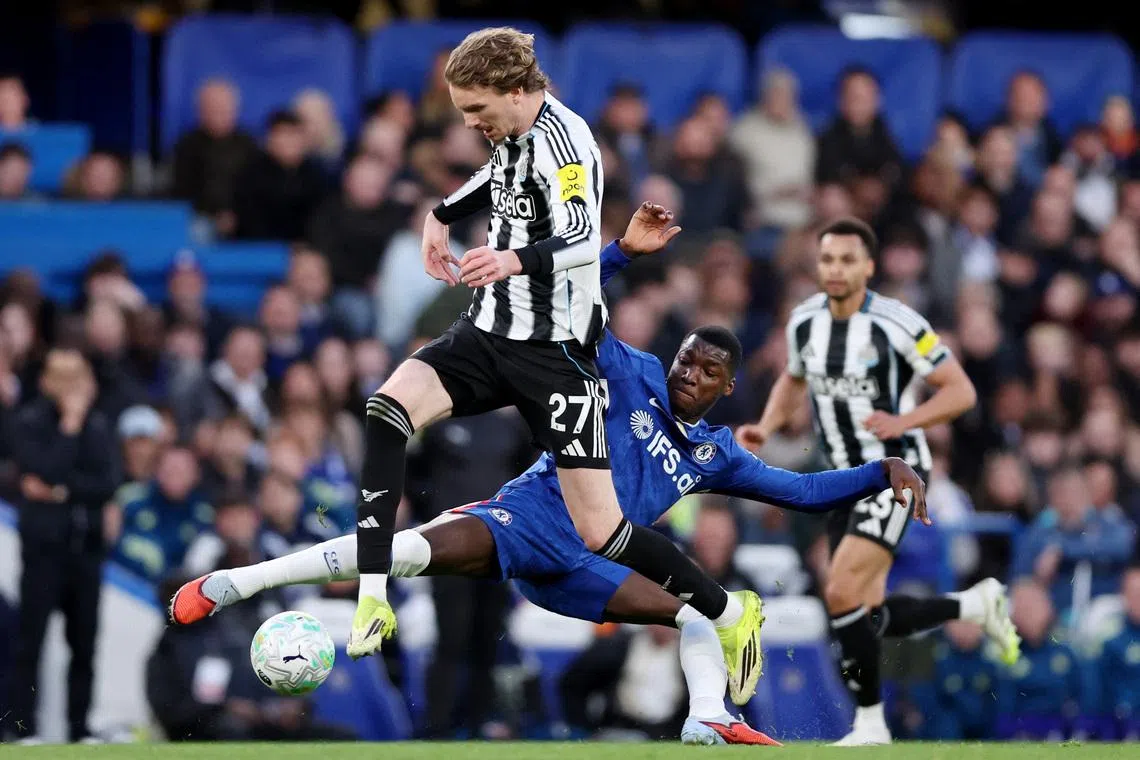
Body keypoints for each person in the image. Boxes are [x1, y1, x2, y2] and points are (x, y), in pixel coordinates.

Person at [172, 206, 944, 744]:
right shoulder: (631, 370)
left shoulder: (718, 455)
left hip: (587, 565)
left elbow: (801, 491)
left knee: (696, 613)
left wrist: (880, 471)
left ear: (726, 387)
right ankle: (240, 582)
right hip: (530, 517)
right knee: (405, 551)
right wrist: (623, 253)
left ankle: (707, 717)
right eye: (686, 360)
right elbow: (574, 302)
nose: (689, 373)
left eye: (707, 371)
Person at [346, 25, 763, 701]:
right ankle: (373, 595)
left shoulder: (569, 142)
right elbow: (498, 176)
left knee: (603, 533)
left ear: (516, 91)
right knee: (386, 410)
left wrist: (512, 258)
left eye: (477, 109)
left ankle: (728, 611)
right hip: (489, 333)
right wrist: (439, 214)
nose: (470, 124)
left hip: (558, 357)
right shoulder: (511, 131)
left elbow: (578, 232)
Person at [735, 216, 1016, 746]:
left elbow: (960, 391)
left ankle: (869, 724)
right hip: (841, 479)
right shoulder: (804, 321)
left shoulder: (898, 322)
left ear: (868, 266)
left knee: (841, 590)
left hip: (897, 472)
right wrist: (766, 427)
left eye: (846, 260)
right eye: (827, 259)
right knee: (864, 611)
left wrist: (904, 420)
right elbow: (793, 379)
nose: (835, 269)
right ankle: (974, 605)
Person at [5, 348, 119, 743]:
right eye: (64, 378)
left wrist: (60, 492)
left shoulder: (99, 425)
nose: (73, 387)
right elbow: (42, 468)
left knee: (84, 644)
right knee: (30, 643)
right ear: (47, 382)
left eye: (78, 377)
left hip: (86, 549)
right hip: (43, 551)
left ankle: (79, 728)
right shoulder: (28, 421)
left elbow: (107, 484)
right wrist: (69, 427)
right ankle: (22, 727)